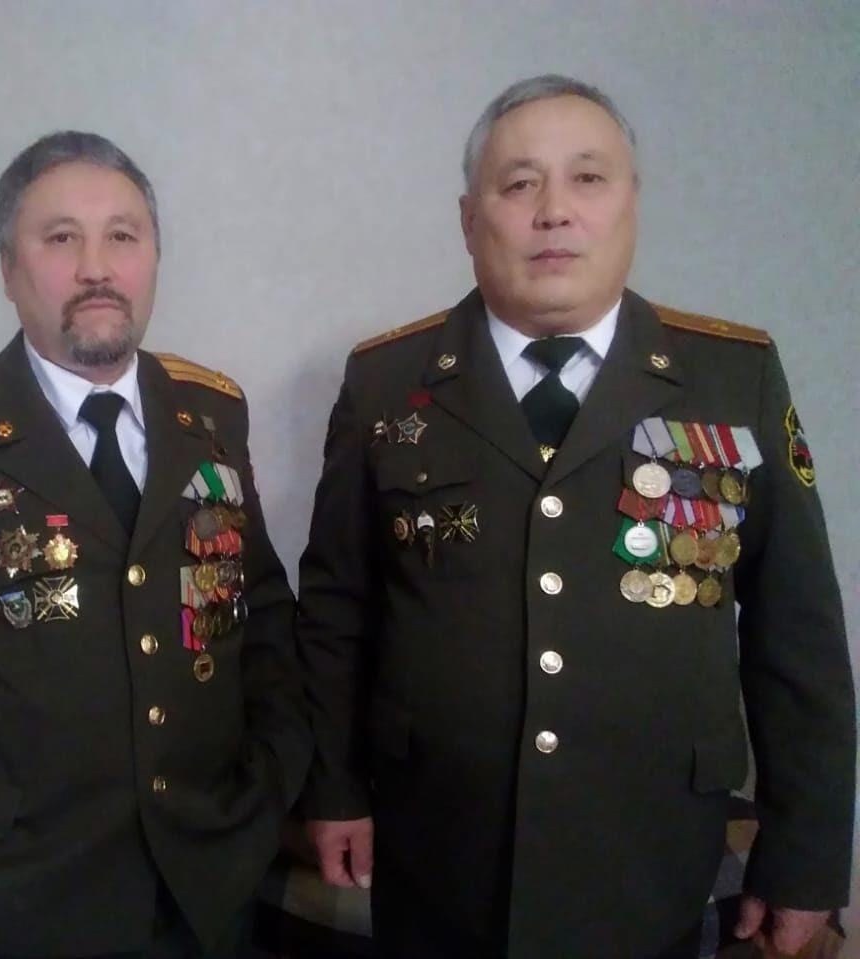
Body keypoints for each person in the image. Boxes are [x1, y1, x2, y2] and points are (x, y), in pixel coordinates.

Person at [295, 75, 854, 959]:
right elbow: (337, 610)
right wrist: (331, 786)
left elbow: (800, 635)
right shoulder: (385, 382)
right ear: (469, 219)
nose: (554, 210)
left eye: (588, 178)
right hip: (439, 846)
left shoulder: (732, 377)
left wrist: (807, 856)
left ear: (632, 202)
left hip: (652, 852)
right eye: (519, 183)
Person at [0, 131, 310, 959]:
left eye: (123, 235)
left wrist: (272, 777)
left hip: (208, 876)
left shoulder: (212, 412)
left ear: (153, 258)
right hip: (19, 897)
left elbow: (262, 611)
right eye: (61, 237)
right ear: (9, 269)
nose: (97, 267)